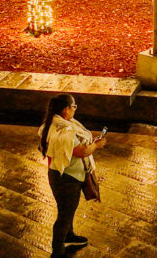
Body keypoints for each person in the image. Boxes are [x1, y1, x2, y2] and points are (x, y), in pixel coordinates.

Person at [38, 93, 106, 256]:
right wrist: (96, 146)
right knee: (65, 213)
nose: (75, 110)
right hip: (66, 178)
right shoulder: (65, 131)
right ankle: (58, 248)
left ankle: (69, 235)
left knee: (68, 209)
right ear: (65, 110)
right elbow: (81, 152)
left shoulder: (53, 124)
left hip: (60, 175)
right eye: (73, 106)